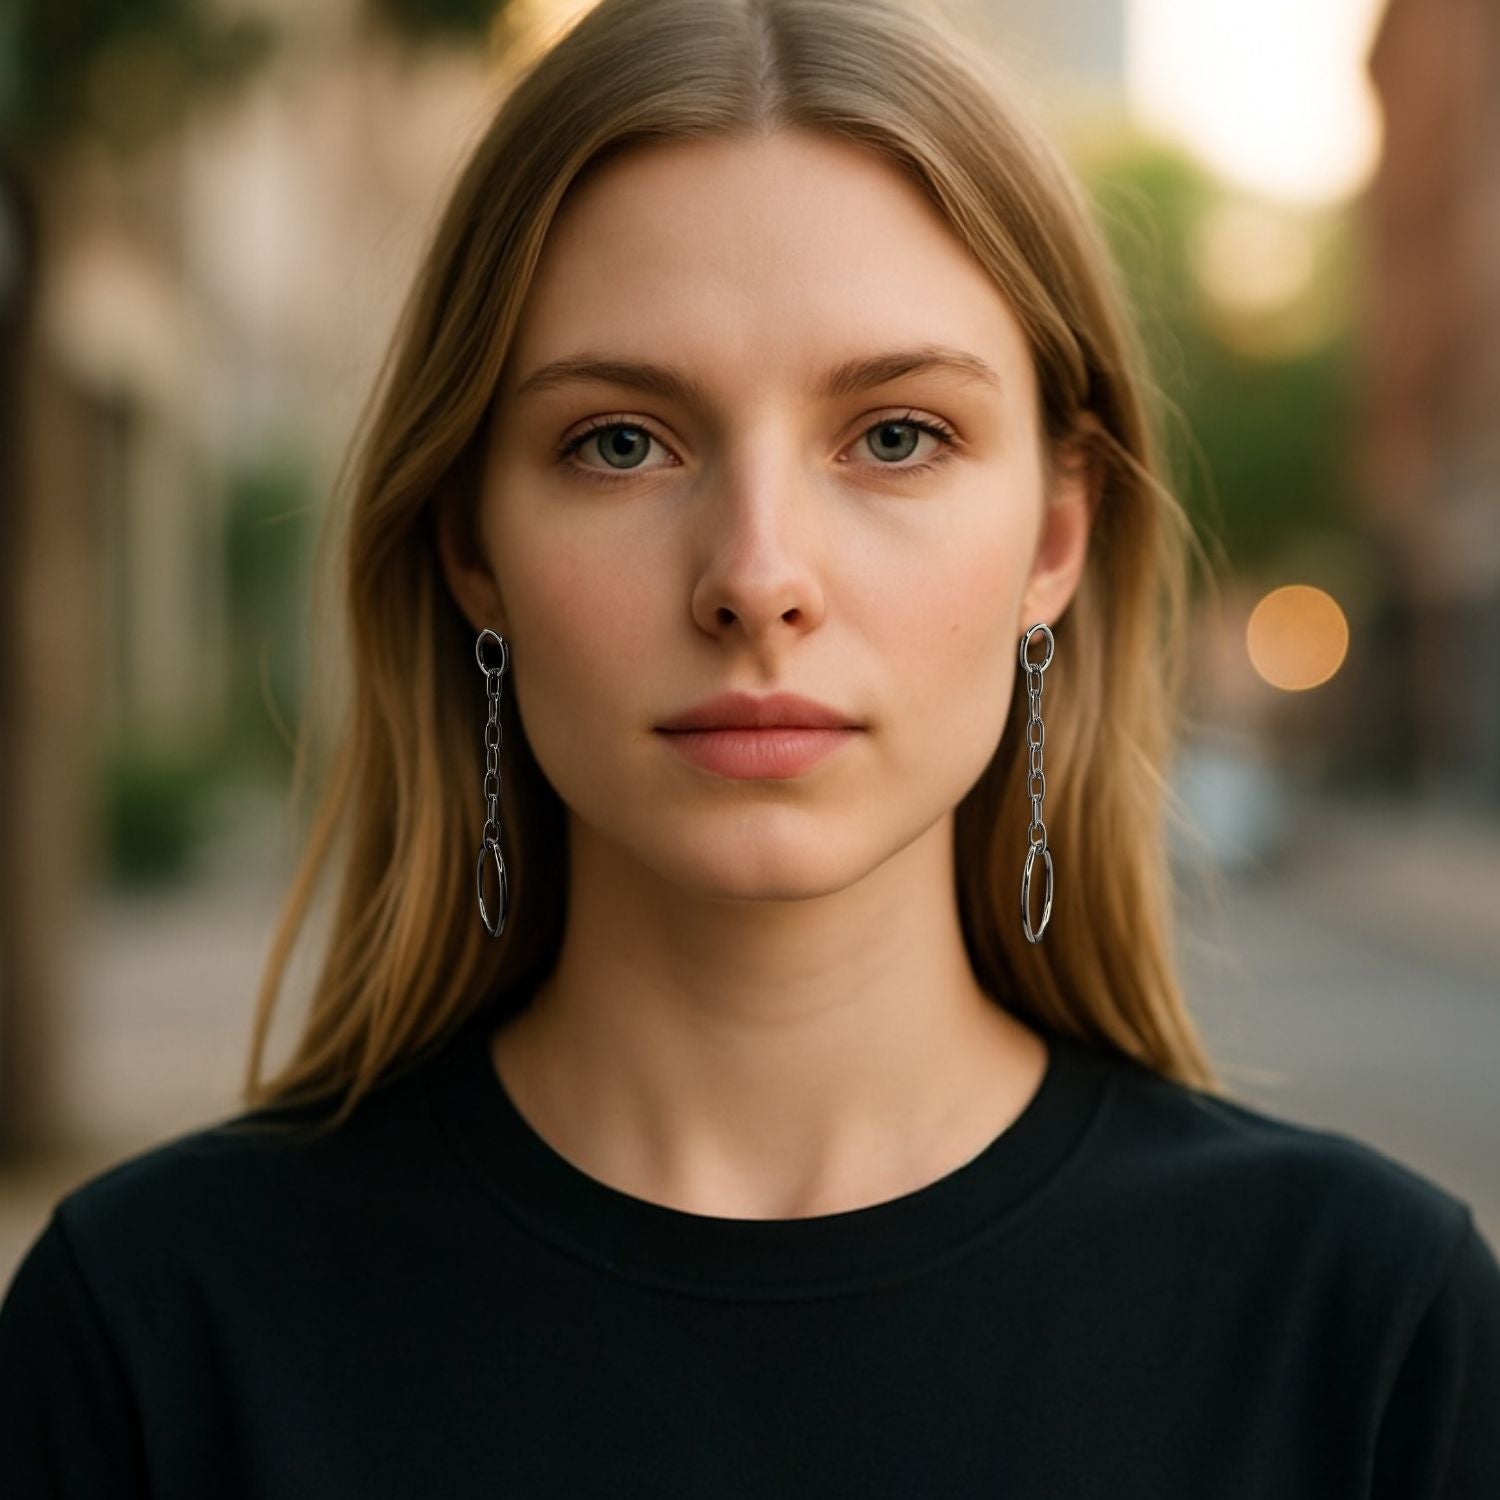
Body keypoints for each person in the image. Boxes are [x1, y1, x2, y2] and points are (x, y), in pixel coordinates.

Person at [3, 0, 1498, 1493]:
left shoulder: (1370, 1338)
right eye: (621, 441)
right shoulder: (152, 1335)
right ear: (471, 549)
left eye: (897, 435)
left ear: (1056, 538)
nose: (758, 575)